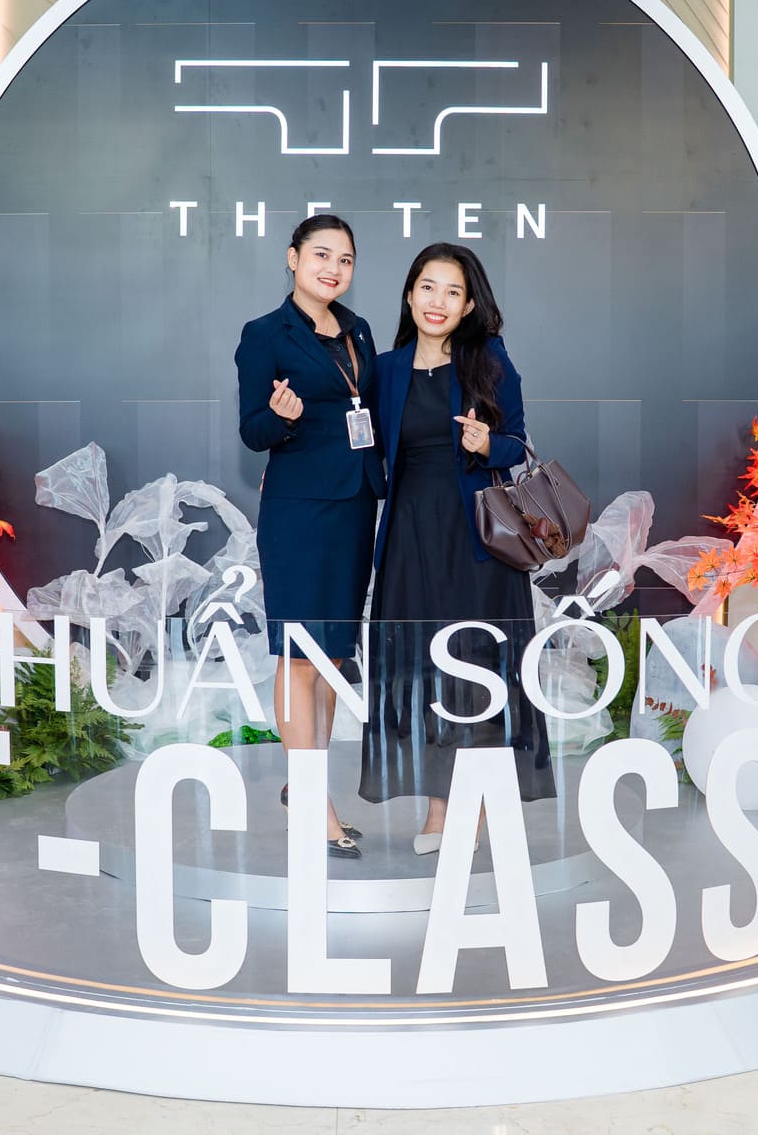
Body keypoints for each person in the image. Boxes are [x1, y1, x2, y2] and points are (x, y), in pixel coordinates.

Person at [360, 242, 552, 853]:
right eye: (428, 287)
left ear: (469, 305)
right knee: (423, 669)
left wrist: (486, 444)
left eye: (452, 291)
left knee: (477, 666)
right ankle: (440, 809)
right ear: (409, 293)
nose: (437, 301)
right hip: (409, 540)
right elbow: (364, 449)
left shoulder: (487, 360)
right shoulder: (385, 369)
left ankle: (477, 803)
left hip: (477, 542)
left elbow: (518, 444)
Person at [235, 214, 386, 858]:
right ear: (293, 258)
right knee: (299, 654)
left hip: (356, 506)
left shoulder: (359, 330)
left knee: (334, 658)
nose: (334, 269)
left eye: (345, 260)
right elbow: (252, 430)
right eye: (321, 255)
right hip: (298, 511)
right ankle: (315, 808)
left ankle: (306, 786)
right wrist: (281, 417)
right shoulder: (264, 334)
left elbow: (370, 408)